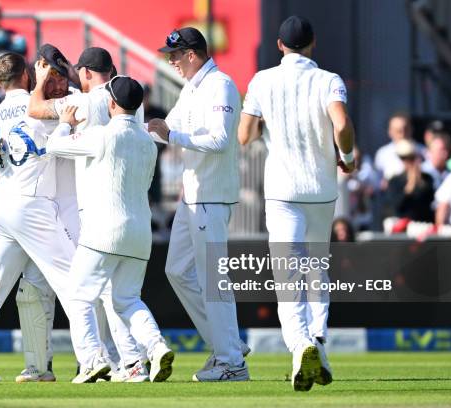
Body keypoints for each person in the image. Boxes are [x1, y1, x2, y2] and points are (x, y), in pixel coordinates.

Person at [238, 16, 355, 391]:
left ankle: (300, 343)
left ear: (279, 45)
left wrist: (260, 125)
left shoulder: (262, 80)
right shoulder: (328, 80)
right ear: (313, 43)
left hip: (282, 191)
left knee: (288, 273)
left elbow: (244, 136)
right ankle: (317, 342)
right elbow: (341, 125)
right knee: (317, 270)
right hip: (320, 189)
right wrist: (348, 156)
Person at [0, 52, 79, 383]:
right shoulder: (38, 103)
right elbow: (66, 115)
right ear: (27, 76)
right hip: (34, 202)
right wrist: (46, 83)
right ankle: (96, 360)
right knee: (75, 282)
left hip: (2, 201)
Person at [30, 46, 149, 382]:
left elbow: (35, 109)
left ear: (84, 73)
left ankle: (96, 360)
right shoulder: (129, 104)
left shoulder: (81, 102)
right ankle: (134, 360)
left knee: (83, 294)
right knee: (119, 297)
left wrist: (41, 81)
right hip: (131, 210)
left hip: (94, 213)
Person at [44, 75, 174, 383]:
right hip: (141, 233)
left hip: (104, 229)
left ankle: (91, 360)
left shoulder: (102, 134)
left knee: (78, 296)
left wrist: (64, 122)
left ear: (111, 103)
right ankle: (155, 349)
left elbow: (54, 146)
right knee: (128, 299)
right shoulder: (148, 141)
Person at [148, 26, 248, 382]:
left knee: (213, 279)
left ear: (192, 54)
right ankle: (229, 343)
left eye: (174, 55)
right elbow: (162, 129)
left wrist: (171, 136)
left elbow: (220, 140)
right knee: (176, 270)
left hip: (211, 195)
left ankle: (231, 362)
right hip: (192, 198)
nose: (171, 61)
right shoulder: (191, 88)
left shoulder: (220, 84)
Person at [385, 139, 435, 225]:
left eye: (412, 158)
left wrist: (420, 182)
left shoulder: (427, 178)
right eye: (405, 158)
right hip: (403, 226)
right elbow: (397, 205)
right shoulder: (395, 180)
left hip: (424, 224)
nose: (410, 162)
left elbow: (430, 202)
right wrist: (410, 186)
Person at [374, 112, 425, 184]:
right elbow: (377, 181)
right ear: (390, 132)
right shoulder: (382, 154)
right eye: (398, 131)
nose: (403, 134)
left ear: (411, 129)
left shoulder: (422, 151)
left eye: (406, 130)